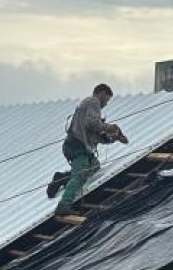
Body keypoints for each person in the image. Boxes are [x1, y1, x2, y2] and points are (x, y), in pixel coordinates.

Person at [53, 84, 124, 216]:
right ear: (101, 93)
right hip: (77, 146)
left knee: (95, 166)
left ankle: (62, 178)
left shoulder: (87, 107)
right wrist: (109, 127)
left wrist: (113, 138)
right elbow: (92, 124)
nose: (106, 104)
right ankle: (63, 205)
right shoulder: (93, 101)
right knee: (80, 175)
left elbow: (95, 135)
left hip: (79, 146)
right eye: (106, 99)